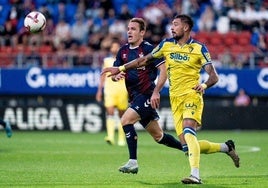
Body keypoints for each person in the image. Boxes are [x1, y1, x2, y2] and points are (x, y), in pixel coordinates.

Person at [101, 15, 240, 184]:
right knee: (186, 145)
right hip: (175, 99)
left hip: (191, 95)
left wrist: (202, 86)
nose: (172, 28)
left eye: (175, 25)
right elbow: (143, 60)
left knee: (189, 130)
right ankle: (226, 147)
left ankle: (195, 174)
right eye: (171, 25)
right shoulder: (166, 45)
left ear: (186, 27)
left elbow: (213, 76)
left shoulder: (199, 48)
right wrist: (121, 68)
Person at [107, 17, 183, 174]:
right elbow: (115, 73)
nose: (129, 31)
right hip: (135, 98)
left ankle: (132, 162)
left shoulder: (149, 50)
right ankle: (188, 148)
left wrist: (156, 92)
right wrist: (116, 77)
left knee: (125, 120)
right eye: (128, 28)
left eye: (133, 29)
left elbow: (163, 71)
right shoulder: (123, 51)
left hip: (147, 94)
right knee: (159, 137)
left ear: (142, 32)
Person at [96, 40, 128, 146]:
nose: (114, 48)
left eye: (116, 47)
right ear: (111, 49)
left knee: (121, 115)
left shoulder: (125, 61)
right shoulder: (107, 61)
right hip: (109, 90)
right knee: (110, 112)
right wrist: (99, 90)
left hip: (122, 90)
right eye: (113, 47)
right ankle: (110, 136)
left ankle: (121, 138)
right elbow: (102, 76)